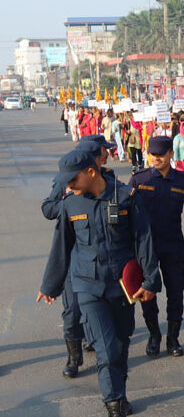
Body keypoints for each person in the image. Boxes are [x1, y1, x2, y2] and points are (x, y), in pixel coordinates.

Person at [38, 150, 161, 417]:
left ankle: (120, 391)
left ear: (91, 171)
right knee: (105, 349)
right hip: (87, 286)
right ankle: (116, 415)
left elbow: (143, 238)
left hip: (121, 286)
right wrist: (50, 285)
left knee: (120, 343)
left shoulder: (126, 196)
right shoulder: (71, 204)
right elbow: (62, 246)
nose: (68, 185)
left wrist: (150, 280)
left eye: (73, 179)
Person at [41, 135, 114, 378]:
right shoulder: (67, 181)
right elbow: (48, 209)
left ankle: (97, 340)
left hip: (103, 257)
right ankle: (74, 358)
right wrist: (71, 203)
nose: (107, 155)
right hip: (76, 256)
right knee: (72, 310)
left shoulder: (111, 182)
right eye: (104, 151)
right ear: (93, 156)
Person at [129, 135, 184, 358]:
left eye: (161, 155)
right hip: (146, 249)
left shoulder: (182, 181)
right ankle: (154, 335)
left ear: (171, 154)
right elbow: (127, 214)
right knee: (148, 292)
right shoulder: (139, 180)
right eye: (152, 155)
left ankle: (173, 338)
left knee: (176, 293)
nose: (156, 158)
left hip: (173, 245)